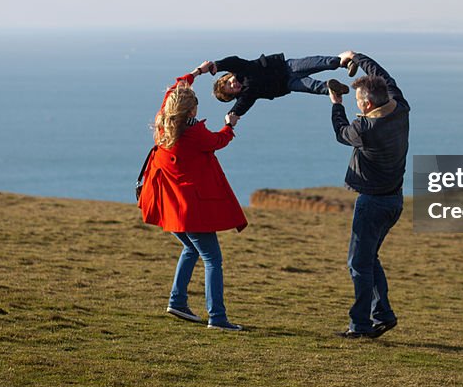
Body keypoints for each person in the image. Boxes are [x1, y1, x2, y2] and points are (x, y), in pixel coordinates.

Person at [137, 65, 248, 331]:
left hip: (171, 206)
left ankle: (177, 301)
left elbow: (174, 91)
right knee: (212, 259)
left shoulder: (164, 121)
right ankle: (218, 318)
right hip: (190, 208)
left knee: (191, 249)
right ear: (191, 111)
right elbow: (217, 142)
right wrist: (229, 126)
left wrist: (194, 75)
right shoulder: (194, 132)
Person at [328, 51, 410, 339]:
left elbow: (341, 132)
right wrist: (359, 57)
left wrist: (336, 104)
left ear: (367, 103)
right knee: (369, 258)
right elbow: (385, 77)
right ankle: (383, 314)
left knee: (358, 263)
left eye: (357, 102)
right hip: (394, 201)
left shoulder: (365, 128)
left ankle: (360, 325)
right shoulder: (400, 107)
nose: (356, 105)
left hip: (372, 203)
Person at [197, 52, 357, 120]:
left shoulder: (242, 68)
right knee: (315, 87)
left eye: (229, 83)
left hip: (286, 67)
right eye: (231, 90)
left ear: (228, 76)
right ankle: (334, 88)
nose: (233, 85)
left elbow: (232, 61)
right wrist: (231, 115)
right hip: (288, 84)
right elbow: (240, 107)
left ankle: (343, 62)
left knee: (320, 63)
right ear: (233, 96)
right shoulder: (247, 95)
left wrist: (216, 66)